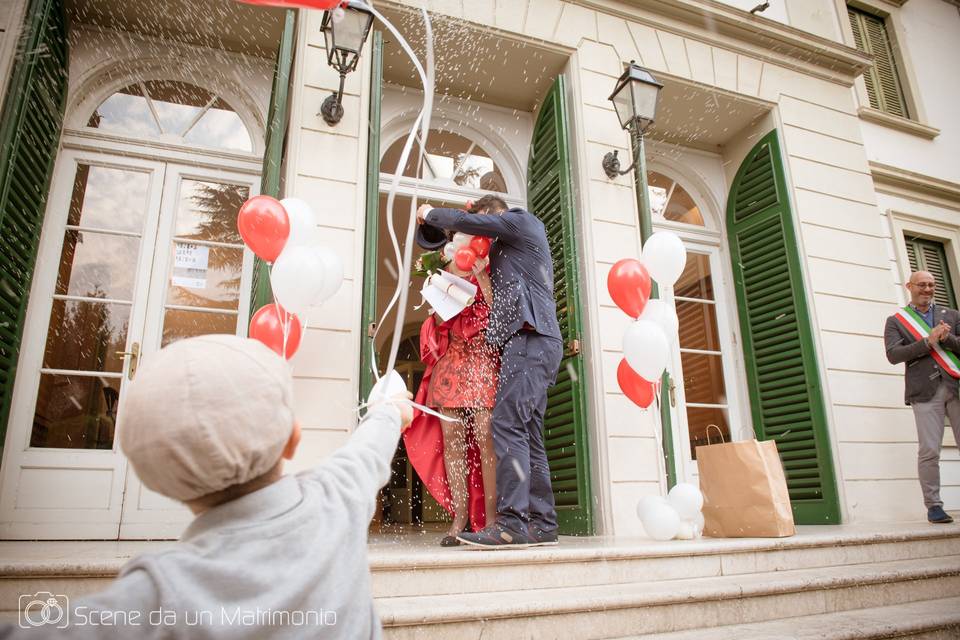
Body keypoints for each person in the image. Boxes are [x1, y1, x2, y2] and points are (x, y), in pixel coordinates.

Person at [0, 334, 412, 638]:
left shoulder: (157, 594)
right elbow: (371, 441)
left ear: (160, 482)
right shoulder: (338, 496)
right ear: (292, 438)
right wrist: (392, 410)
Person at [417, 194, 563, 549]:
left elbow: (478, 224)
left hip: (530, 337)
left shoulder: (520, 221)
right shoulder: (502, 253)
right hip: (531, 340)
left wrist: (429, 214)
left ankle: (510, 523)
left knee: (506, 424)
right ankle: (543, 524)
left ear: (491, 214)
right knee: (528, 432)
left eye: (484, 224)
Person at [406, 230, 499, 546]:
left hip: (483, 360)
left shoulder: (492, 268)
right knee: (453, 444)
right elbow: (436, 324)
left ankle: (492, 519)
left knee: (486, 437)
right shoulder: (442, 274)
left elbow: (502, 319)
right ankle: (459, 519)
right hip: (452, 362)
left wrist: (484, 283)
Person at [884, 270, 960, 524]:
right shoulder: (896, 321)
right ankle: (934, 506)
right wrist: (928, 342)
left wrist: (947, 338)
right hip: (924, 392)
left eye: (931, 285)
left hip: (955, 385)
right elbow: (894, 355)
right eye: (922, 285)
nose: (927, 289)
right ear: (910, 287)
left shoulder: (952, 315)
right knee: (929, 450)